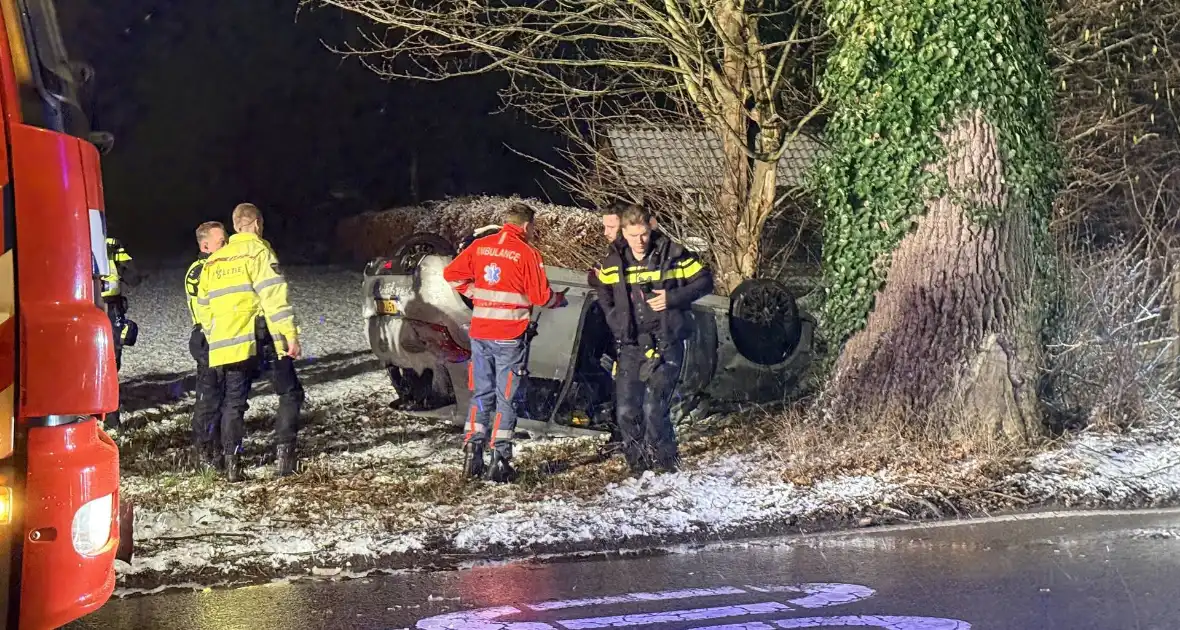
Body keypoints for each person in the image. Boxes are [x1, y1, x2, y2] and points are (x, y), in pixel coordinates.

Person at [443, 202, 568, 483]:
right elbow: (540, 297)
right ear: (526, 226)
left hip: (481, 333)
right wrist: (559, 300)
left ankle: (472, 451)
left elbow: (451, 275)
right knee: (507, 397)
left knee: (481, 394)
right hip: (509, 337)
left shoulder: (481, 246)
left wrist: (473, 291)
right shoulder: (527, 253)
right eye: (533, 227)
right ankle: (500, 459)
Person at [594, 203, 713, 474]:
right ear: (623, 232)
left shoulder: (673, 254)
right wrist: (613, 316)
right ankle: (638, 467)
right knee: (626, 410)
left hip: (667, 341)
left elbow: (705, 281)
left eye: (644, 234)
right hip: (631, 344)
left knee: (652, 407)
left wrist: (672, 298)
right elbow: (602, 288)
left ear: (652, 228)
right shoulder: (614, 260)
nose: (640, 241)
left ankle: (665, 464)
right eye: (634, 235)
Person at [196, 203, 305, 482]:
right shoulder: (258, 251)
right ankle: (285, 458)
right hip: (263, 337)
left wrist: (216, 334)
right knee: (290, 393)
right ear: (257, 224)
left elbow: (203, 307)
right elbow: (273, 297)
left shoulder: (215, 261)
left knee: (234, 403)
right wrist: (288, 335)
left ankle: (233, 465)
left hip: (228, 341)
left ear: (235, 225)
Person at [186, 221, 228, 470]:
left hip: (221, 335)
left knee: (222, 395)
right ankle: (204, 451)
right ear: (205, 245)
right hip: (205, 337)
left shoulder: (216, 265)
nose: (226, 246)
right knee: (208, 397)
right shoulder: (199, 270)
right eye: (221, 242)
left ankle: (219, 446)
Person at [101, 236, 142, 428]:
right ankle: (109, 417)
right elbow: (134, 277)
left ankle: (107, 414)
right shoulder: (111, 246)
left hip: (101, 308)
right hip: (106, 309)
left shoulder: (110, 247)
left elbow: (134, 278)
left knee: (108, 362)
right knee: (110, 361)